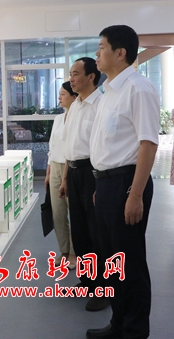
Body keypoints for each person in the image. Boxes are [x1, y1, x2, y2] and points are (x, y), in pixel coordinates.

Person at [87, 25, 160, 339]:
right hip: (106, 184)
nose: (97, 53)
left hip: (127, 183)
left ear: (120, 53)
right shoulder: (108, 91)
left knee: (129, 262)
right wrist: (99, 186)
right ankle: (118, 323)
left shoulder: (138, 88)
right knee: (112, 261)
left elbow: (148, 143)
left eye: (102, 47)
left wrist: (135, 195)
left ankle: (134, 330)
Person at [59, 57, 109, 312]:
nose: (71, 78)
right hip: (75, 173)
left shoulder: (100, 104)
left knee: (96, 232)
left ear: (91, 76)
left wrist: (99, 183)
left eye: (76, 73)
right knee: (79, 231)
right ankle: (88, 281)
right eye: (70, 73)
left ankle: (103, 288)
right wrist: (65, 178)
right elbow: (70, 146)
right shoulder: (75, 105)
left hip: (93, 173)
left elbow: (102, 146)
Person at [45, 81, 77, 269]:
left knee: (74, 212)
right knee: (58, 213)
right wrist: (49, 171)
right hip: (56, 167)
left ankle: (74, 252)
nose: (60, 97)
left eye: (63, 93)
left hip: (71, 167)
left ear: (74, 97)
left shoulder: (77, 118)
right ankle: (64, 251)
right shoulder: (58, 119)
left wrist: (65, 174)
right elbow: (52, 146)